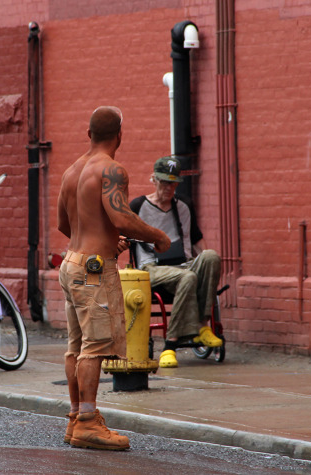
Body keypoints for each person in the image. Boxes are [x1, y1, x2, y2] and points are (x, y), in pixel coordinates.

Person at [57, 106, 170, 451]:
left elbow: (65, 225)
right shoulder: (111, 170)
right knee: (93, 347)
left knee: (76, 346)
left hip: (72, 263)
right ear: (119, 135)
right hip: (93, 269)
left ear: (88, 134)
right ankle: (89, 423)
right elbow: (121, 217)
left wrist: (105, 240)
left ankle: (77, 417)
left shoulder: (72, 171)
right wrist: (157, 236)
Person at [129, 156, 223, 369]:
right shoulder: (138, 206)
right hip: (151, 268)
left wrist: (207, 262)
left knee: (211, 256)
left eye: (173, 183)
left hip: (182, 264)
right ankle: (169, 346)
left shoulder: (184, 206)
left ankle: (202, 327)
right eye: (164, 182)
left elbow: (197, 239)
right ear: (153, 180)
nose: (169, 188)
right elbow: (120, 236)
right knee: (187, 277)